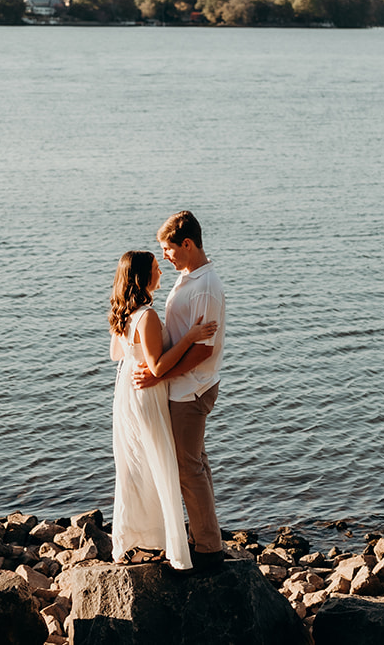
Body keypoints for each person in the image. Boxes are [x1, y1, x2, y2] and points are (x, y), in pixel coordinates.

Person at [109, 249, 218, 570]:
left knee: (134, 467)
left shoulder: (122, 312)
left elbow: (119, 354)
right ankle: (163, 543)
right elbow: (156, 367)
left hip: (127, 392)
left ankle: (136, 540)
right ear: (143, 278)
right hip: (148, 394)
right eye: (156, 269)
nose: (161, 272)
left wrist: (139, 359)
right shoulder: (147, 316)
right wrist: (189, 337)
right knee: (160, 466)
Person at [133, 210, 227, 573]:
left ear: (187, 244)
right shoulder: (188, 277)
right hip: (181, 384)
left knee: (188, 469)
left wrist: (160, 375)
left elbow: (204, 349)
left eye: (168, 248)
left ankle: (207, 549)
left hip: (192, 388)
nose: (164, 256)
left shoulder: (206, 286)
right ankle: (206, 537)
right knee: (195, 464)